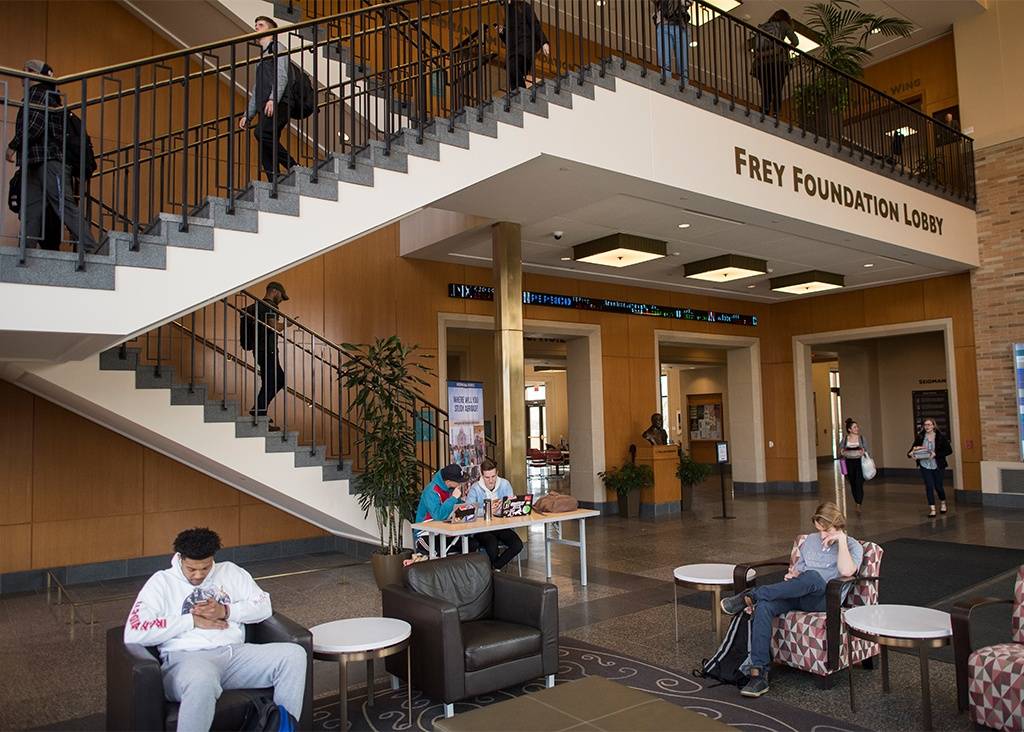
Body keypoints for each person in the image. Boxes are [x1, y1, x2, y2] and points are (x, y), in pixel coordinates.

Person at [123, 527, 306, 732]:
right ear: (180, 559)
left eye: (205, 568)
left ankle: (282, 729)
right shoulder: (161, 582)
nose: (198, 575)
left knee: (294, 655)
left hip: (234, 655)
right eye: (192, 569)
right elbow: (134, 630)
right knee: (202, 680)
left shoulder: (230, 571)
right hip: (187, 659)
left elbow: (264, 605)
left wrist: (226, 611)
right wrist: (191, 621)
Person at [721, 501, 863, 698]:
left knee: (813, 577)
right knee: (765, 606)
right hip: (801, 593)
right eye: (819, 530)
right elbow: (800, 570)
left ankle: (751, 594)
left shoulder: (852, 546)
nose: (822, 536)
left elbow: (847, 571)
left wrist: (840, 541)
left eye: (827, 530)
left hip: (825, 601)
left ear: (839, 526)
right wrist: (793, 575)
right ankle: (759, 674)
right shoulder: (809, 541)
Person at [5, 59, 97, 254]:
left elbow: (35, 125)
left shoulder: (39, 93)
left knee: (62, 205)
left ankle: (90, 247)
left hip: (49, 161)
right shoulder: (44, 94)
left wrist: (13, 146)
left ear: (33, 73)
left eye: (24, 71)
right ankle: (25, 251)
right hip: (35, 162)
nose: (22, 76)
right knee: (31, 209)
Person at [239, 16, 297, 181]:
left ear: (271, 30)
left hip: (280, 102)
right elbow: (257, 89)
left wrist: (273, 99)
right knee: (266, 142)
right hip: (265, 104)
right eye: (255, 24)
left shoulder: (278, 48)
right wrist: (247, 115)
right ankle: (274, 179)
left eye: (260, 25)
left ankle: (293, 166)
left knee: (261, 134)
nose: (256, 27)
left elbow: (282, 76)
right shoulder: (263, 56)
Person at [242, 281, 289, 430]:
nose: (281, 299)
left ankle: (260, 412)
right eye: (281, 296)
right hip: (268, 350)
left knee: (271, 380)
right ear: (274, 291)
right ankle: (259, 412)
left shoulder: (255, 306)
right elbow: (274, 326)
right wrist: (287, 324)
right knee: (278, 380)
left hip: (259, 350)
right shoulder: (270, 306)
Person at [466, 458, 524, 570]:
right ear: (482, 476)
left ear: (497, 473)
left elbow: (511, 505)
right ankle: (495, 570)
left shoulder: (505, 484)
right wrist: (487, 510)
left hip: (502, 526)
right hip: (482, 528)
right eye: (487, 477)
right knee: (491, 544)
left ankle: (494, 568)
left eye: (493, 476)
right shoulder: (475, 488)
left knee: (517, 545)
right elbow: (469, 511)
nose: (491, 480)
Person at [751, 10, 799, 118]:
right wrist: (784, 48)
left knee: (766, 89)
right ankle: (776, 112)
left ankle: (765, 110)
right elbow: (795, 42)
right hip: (779, 62)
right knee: (777, 88)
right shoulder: (784, 25)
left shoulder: (763, 26)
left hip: (761, 63)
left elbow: (755, 46)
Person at [495, 0, 550, 93]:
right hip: (513, 49)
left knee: (512, 65)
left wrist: (544, 42)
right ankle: (517, 93)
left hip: (525, 46)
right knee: (510, 68)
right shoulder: (507, 13)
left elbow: (535, 24)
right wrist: (502, 33)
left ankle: (522, 93)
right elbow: (509, 40)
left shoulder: (523, 6)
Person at [414, 463, 467, 550]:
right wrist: (453, 498)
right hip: (426, 534)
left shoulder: (452, 489)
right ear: (448, 482)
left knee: (472, 544)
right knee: (441, 550)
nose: (460, 484)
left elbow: (458, 507)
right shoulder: (431, 491)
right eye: (458, 482)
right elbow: (438, 516)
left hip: (446, 531)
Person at [907, 417, 953, 517]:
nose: (927, 427)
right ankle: (932, 509)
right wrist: (912, 455)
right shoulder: (920, 437)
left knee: (938, 486)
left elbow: (949, 451)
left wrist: (935, 454)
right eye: (925, 425)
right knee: (929, 486)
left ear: (933, 426)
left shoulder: (940, 437)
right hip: (925, 465)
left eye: (929, 425)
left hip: (938, 465)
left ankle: (943, 503)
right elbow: (912, 450)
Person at [653, 0, 692, 82]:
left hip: (680, 26)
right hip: (664, 24)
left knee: (683, 63)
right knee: (665, 60)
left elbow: (689, 2)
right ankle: (667, 81)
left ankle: (684, 84)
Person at [838, 418, 868, 513]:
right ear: (849, 429)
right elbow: (841, 449)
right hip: (849, 463)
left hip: (859, 463)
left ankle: (858, 503)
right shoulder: (845, 439)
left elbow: (866, 449)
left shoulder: (861, 438)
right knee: (853, 483)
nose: (857, 428)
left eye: (857, 427)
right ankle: (856, 500)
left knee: (859, 483)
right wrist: (844, 451)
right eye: (854, 427)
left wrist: (863, 451)